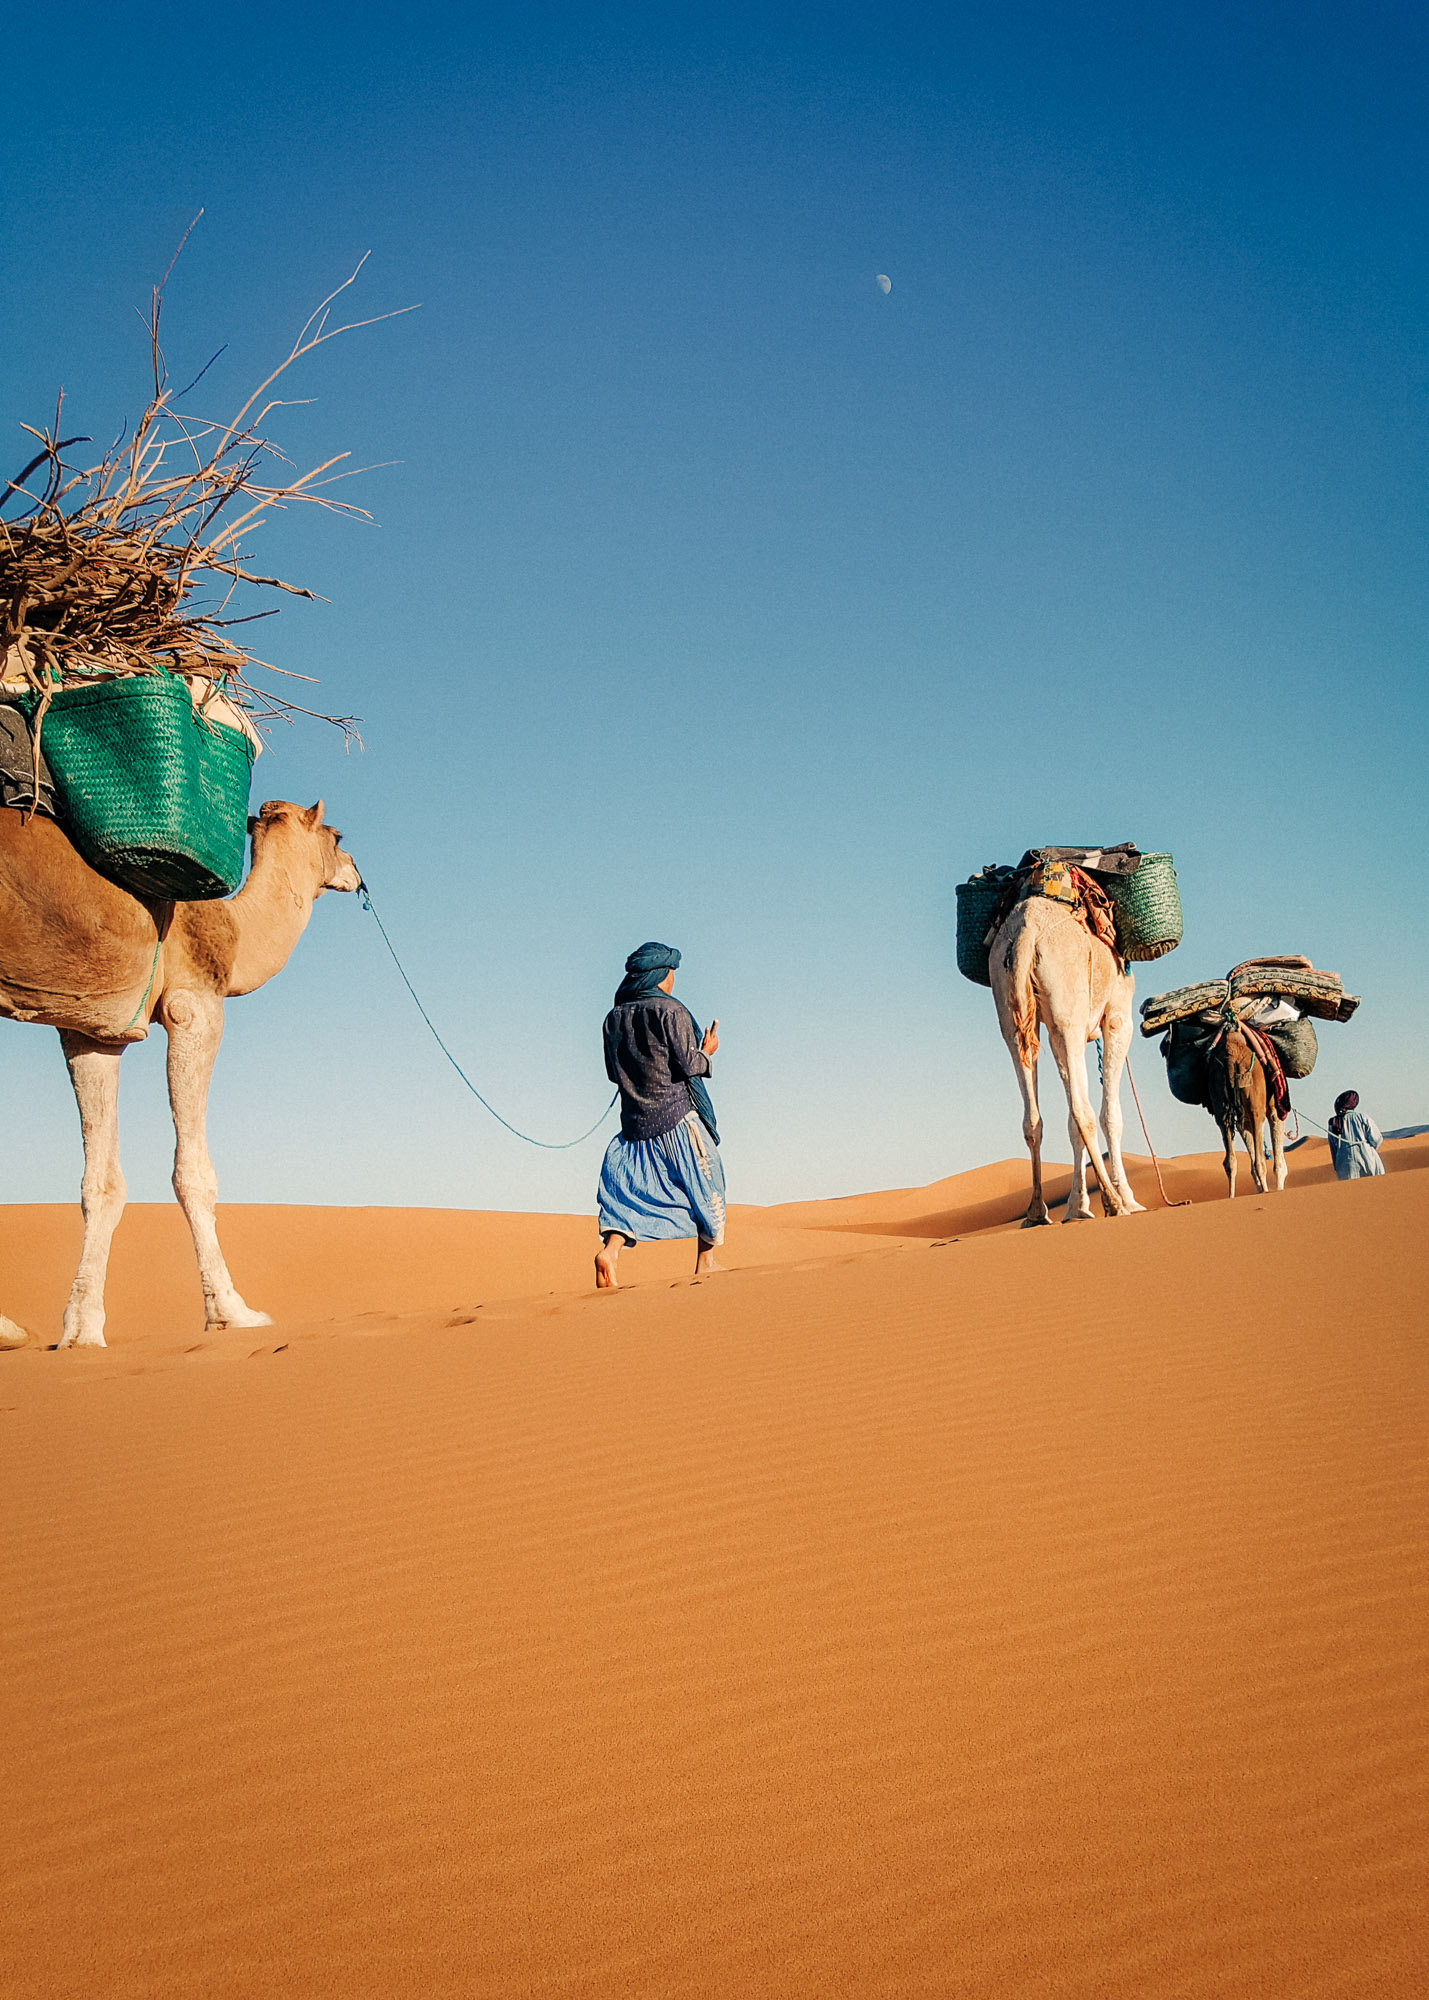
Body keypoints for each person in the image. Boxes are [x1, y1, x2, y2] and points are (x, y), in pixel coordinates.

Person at [595, 942, 724, 1289]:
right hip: (677, 1118)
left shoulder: (612, 1019)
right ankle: (706, 1262)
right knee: (708, 1184)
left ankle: (611, 1251)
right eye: (671, 974)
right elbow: (688, 1064)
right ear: (661, 975)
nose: (672, 982)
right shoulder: (670, 1012)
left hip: (634, 1126)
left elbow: (612, 1071)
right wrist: (707, 1052)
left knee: (629, 1196)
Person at [1327, 1090, 1385, 1180]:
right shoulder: (1363, 1118)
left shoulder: (1333, 1122)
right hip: (1368, 1158)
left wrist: (1337, 1164)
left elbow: (1333, 1148)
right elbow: (1377, 1139)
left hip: (1344, 1162)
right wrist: (1367, 1148)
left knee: (1350, 1191)